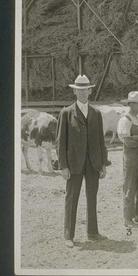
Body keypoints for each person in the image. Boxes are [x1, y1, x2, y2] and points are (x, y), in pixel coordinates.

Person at [57, 75, 109, 248]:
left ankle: (93, 232)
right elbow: (60, 142)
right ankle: (68, 235)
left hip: (93, 162)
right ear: (74, 91)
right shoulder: (66, 113)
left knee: (92, 197)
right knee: (71, 198)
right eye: (78, 90)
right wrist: (63, 166)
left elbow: (101, 141)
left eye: (85, 89)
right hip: (73, 163)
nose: (82, 93)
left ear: (90, 91)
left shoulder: (96, 113)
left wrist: (103, 163)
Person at [117, 91, 138, 227]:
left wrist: (137, 139)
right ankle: (127, 217)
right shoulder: (125, 120)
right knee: (130, 186)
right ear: (131, 104)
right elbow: (127, 142)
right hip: (130, 158)